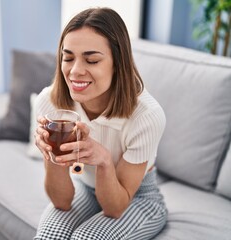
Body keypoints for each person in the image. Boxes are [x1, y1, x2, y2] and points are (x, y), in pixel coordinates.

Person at [33, 7, 167, 240]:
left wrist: (104, 160)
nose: (75, 71)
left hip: (139, 197)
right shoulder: (50, 102)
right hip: (86, 185)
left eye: (92, 60)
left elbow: (114, 209)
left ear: (118, 63)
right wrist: (51, 154)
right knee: (49, 237)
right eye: (68, 58)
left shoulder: (147, 115)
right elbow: (62, 202)